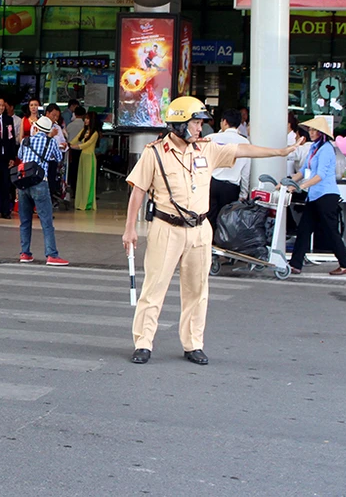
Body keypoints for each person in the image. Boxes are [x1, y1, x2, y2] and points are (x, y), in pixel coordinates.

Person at [122, 96, 301, 366]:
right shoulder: (155, 153)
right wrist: (129, 230)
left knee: (197, 290)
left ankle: (193, 344)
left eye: (200, 123)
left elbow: (242, 149)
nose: (200, 128)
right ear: (179, 124)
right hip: (166, 228)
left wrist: (279, 152)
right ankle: (143, 342)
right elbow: (138, 191)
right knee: (154, 288)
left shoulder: (207, 149)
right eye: (195, 123)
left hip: (200, 229)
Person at [287, 116, 346, 276]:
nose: (311, 132)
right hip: (314, 195)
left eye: (314, 130)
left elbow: (320, 175)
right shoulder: (314, 148)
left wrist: (301, 186)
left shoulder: (326, 149)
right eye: (310, 129)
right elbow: (303, 170)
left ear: (321, 133)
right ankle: (295, 264)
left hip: (326, 195)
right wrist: (288, 183)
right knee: (304, 229)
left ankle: (345, 264)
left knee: (330, 231)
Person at [16, 116, 68, 266]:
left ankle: (25, 253)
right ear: (48, 131)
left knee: (25, 221)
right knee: (46, 221)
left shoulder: (26, 141)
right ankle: (52, 255)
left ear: (36, 128)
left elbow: (20, 156)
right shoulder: (50, 142)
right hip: (40, 182)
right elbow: (58, 158)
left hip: (23, 183)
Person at [205, 109, 251, 231]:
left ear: (224, 122)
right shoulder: (245, 142)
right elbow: (245, 173)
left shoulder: (211, 138)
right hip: (231, 188)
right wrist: (243, 194)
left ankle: (209, 241)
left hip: (212, 183)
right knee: (226, 221)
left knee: (209, 219)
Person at [70, 110, 100, 211]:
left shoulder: (95, 133)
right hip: (83, 157)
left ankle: (88, 203)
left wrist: (76, 146)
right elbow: (76, 138)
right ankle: (80, 202)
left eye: (88, 119)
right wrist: (68, 144)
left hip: (89, 158)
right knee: (81, 180)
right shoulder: (84, 130)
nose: (86, 120)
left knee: (88, 181)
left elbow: (87, 144)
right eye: (85, 118)